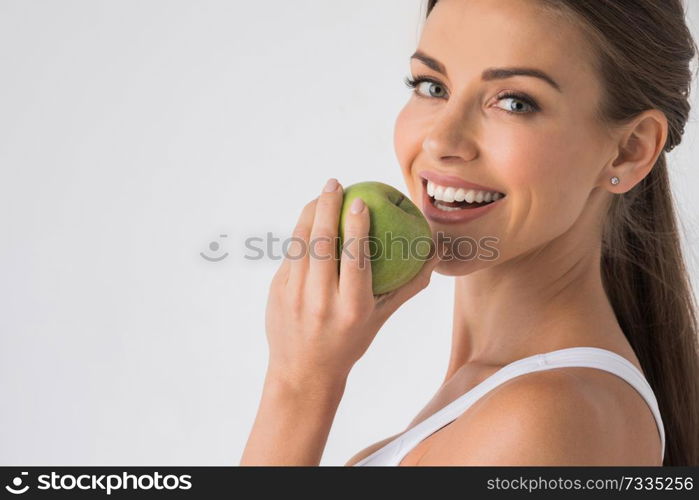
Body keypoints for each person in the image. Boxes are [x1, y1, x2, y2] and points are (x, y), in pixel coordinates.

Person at [240, 0, 699, 466]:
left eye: (514, 102)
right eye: (432, 85)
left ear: (629, 151)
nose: (441, 141)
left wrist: (297, 385)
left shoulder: (546, 417)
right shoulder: (505, 399)